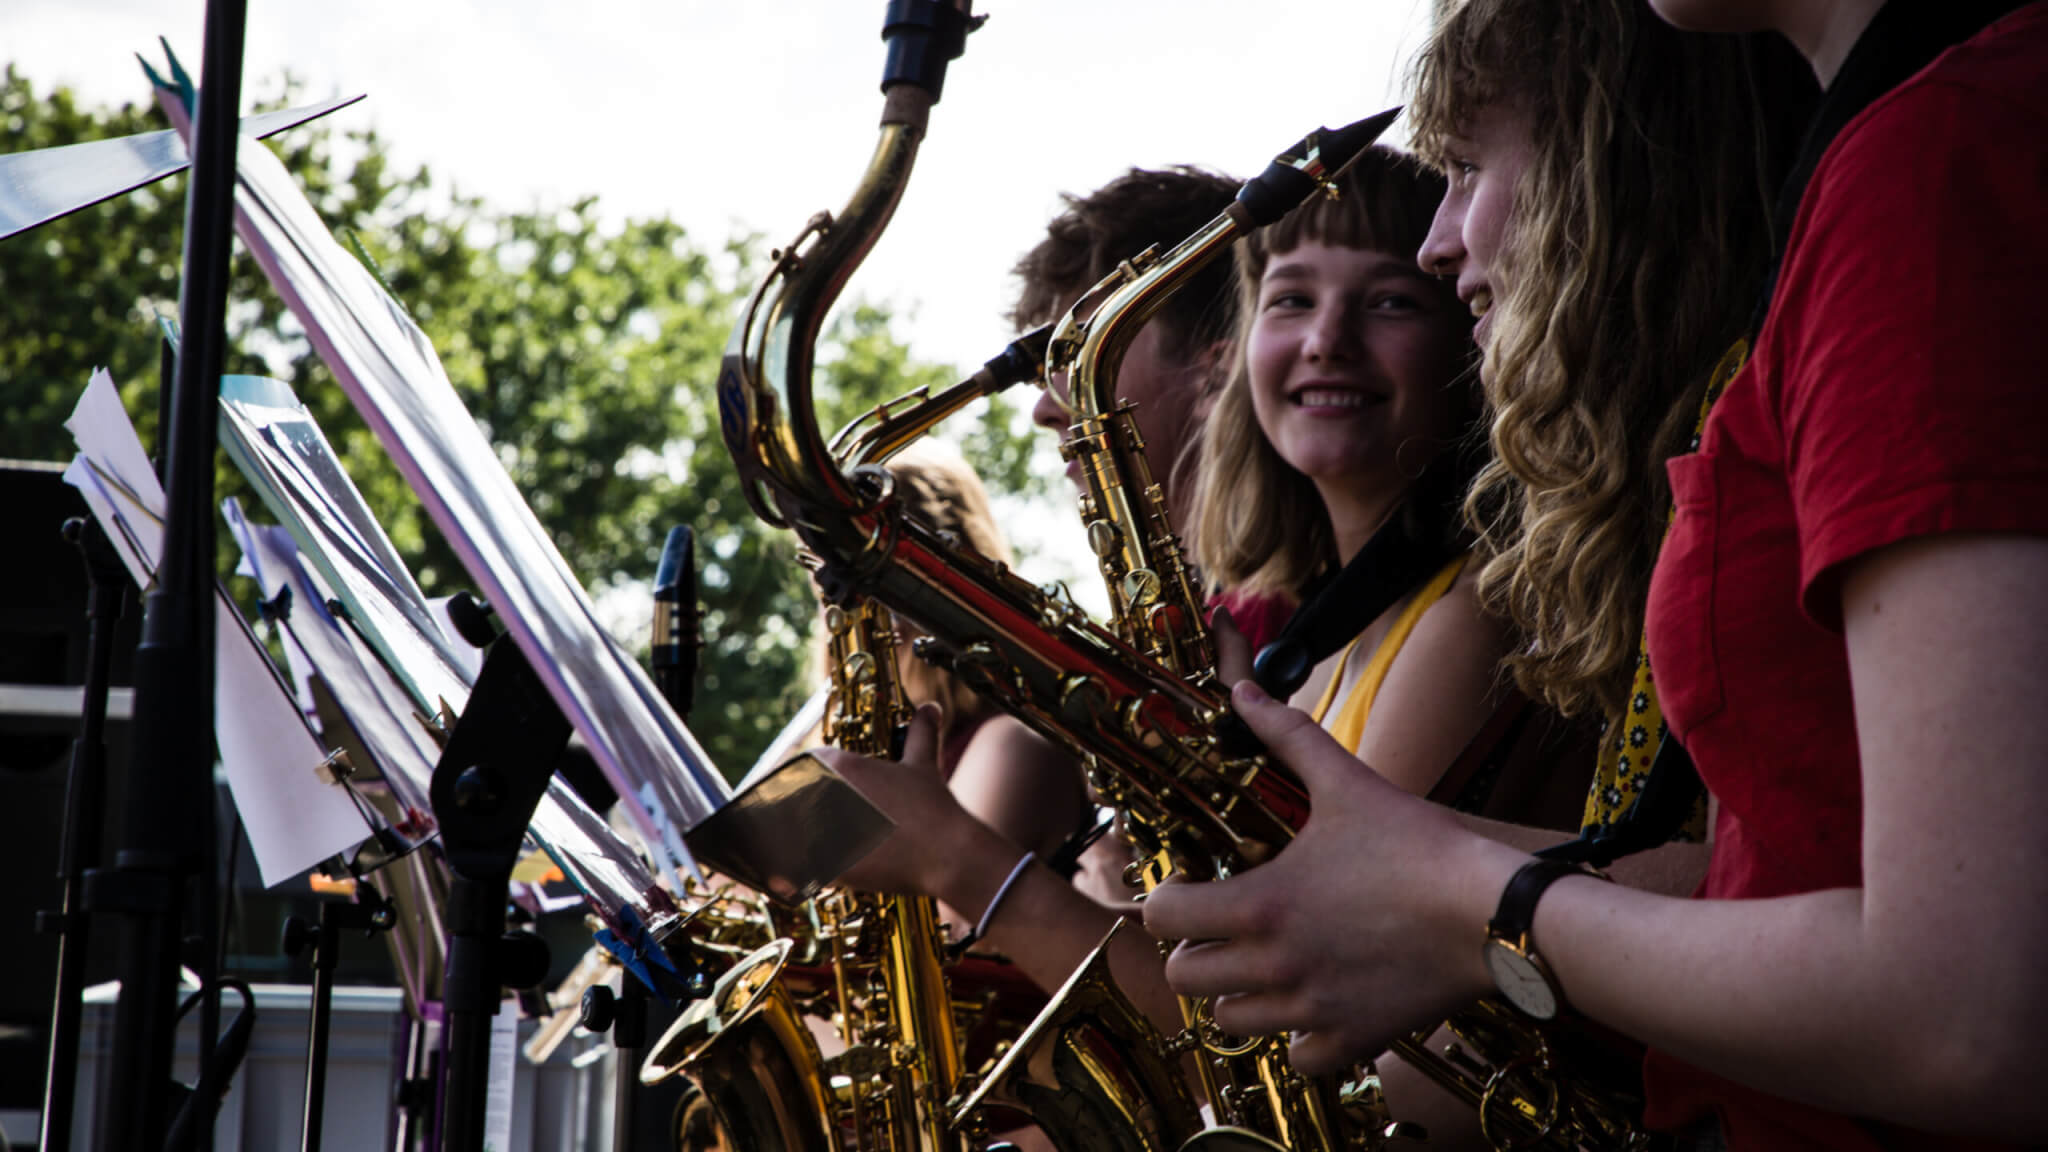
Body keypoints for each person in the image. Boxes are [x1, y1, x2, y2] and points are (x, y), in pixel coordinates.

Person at [1145, 1, 2048, 1147]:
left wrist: (1467, 895)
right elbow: (1768, 865)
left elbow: (1972, 1013)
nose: (1436, 242)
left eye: (1467, 166)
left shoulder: (1937, 159)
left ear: (1612, 169)